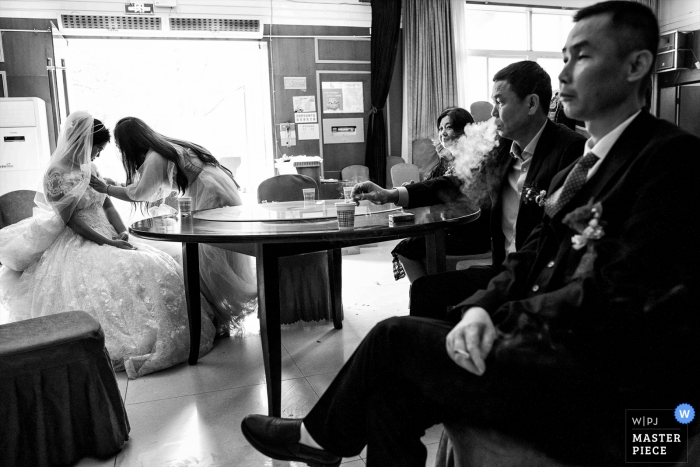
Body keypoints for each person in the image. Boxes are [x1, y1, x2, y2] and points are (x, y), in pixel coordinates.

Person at [240, 2, 700, 466]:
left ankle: (322, 437)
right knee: (387, 391)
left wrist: (506, 320)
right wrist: (481, 307)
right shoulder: (582, 167)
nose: (562, 75)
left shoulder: (671, 160)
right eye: (564, 57)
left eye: (581, 56)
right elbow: (530, 253)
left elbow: (624, 294)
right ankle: (326, 437)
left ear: (637, 65)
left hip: (593, 377)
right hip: (545, 343)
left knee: (391, 339)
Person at [355, 61, 585, 317]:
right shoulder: (502, 149)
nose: (493, 113)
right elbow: (457, 182)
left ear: (531, 104)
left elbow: (561, 237)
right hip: (504, 271)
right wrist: (392, 194)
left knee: (453, 317)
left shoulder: (570, 150)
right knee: (424, 289)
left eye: (500, 102)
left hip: (541, 277)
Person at [0, 111, 217, 378]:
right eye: (97, 150)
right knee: (128, 268)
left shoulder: (90, 169)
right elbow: (72, 222)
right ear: (82, 142)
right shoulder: (56, 174)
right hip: (78, 239)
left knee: (153, 261)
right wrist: (106, 242)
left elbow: (107, 204)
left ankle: (183, 329)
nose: (97, 157)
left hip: (107, 233)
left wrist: (121, 232)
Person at [89, 117, 257, 333]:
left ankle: (217, 315)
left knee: (209, 255)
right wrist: (118, 186)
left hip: (209, 193)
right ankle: (217, 313)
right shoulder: (164, 148)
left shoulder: (155, 157)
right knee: (213, 253)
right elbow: (155, 187)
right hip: (215, 187)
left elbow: (142, 193)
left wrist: (107, 189)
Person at [390, 107, 491, 283]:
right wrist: (414, 189)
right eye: (441, 128)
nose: (443, 133)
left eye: (448, 127)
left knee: (406, 248)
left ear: (464, 128)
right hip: (448, 228)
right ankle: (424, 292)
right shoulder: (445, 162)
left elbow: (448, 188)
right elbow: (432, 189)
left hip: (469, 233)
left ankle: (425, 295)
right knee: (411, 246)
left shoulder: (474, 160)